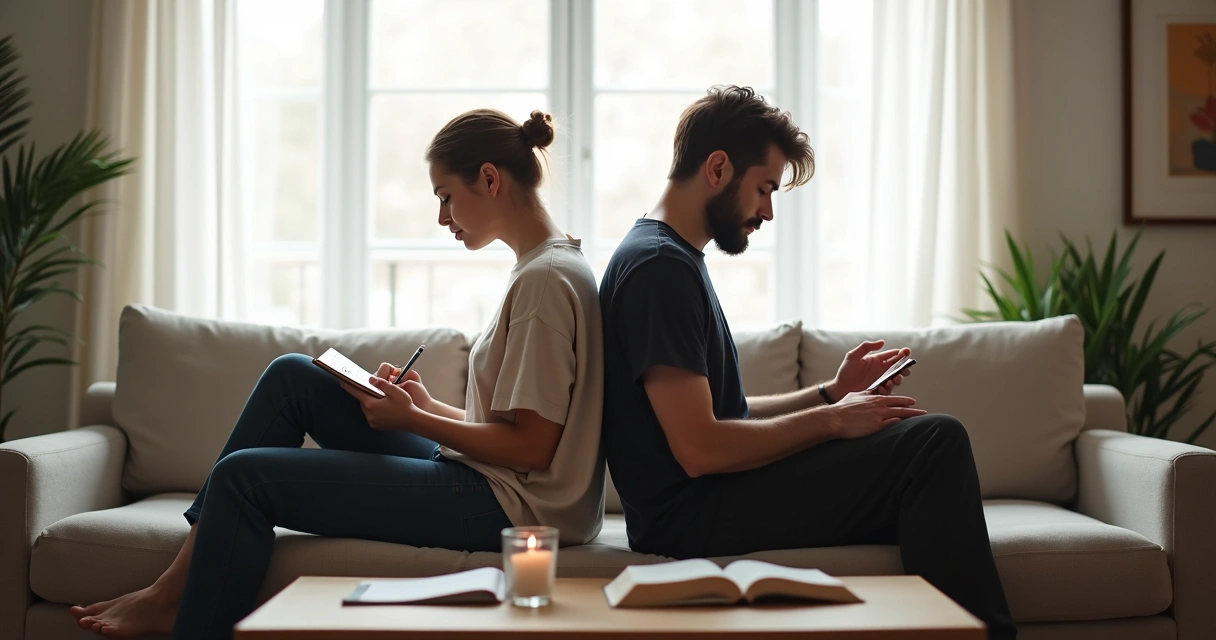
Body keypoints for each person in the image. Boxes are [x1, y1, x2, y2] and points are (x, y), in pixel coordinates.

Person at [71, 109, 605, 639]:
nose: (443, 217)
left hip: (508, 510)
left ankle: (175, 600)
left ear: (489, 179)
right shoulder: (546, 267)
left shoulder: (543, 283)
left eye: (444, 195)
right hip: (497, 484)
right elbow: (512, 427)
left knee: (244, 478)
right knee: (294, 375)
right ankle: (173, 589)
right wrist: (420, 408)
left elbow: (533, 448)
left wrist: (415, 422)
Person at [598, 86, 1016, 640]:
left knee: (918, 458)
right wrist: (832, 423)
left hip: (707, 499)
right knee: (932, 445)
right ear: (718, 168)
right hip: (691, 516)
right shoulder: (658, 269)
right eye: (765, 189)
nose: (767, 211)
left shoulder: (670, 257)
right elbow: (699, 449)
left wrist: (830, 394)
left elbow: (728, 415)